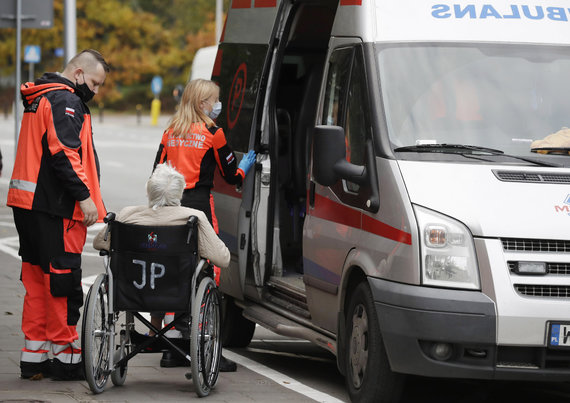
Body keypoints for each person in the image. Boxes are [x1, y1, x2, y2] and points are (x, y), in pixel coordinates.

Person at [7, 49, 109, 381]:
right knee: (62, 284)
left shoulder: (39, 97)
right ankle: (65, 359)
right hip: (57, 207)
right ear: (78, 73)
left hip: (27, 206)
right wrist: (85, 198)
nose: (95, 91)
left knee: (37, 281)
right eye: (94, 82)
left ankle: (33, 359)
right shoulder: (66, 102)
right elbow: (64, 154)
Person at [153, 78, 256, 372]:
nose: (217, 106)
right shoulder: (214, 133)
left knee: (175, 268)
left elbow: (156, 170)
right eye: (215, 101)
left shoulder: (170, 130)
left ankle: (172, 347)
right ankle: (205, 345)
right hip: (198, 206)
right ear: (203, 104)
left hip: (169, 204)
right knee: (209, 271)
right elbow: (231, 176)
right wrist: (244, 166)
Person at [93, 163, 231, 353]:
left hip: (133, 293)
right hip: (179, 294)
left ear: (149, 191)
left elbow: (99, 243)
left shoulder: (127, 215)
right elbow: (222, 258)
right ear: (180, 192)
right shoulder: (193, 218)